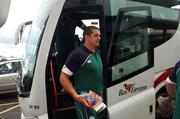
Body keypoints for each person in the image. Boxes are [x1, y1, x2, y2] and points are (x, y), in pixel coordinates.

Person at [60, 26, 104, 119]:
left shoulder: (96, 53)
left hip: (97, 98)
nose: (99, 38)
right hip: (85, 98)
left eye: (99, 35)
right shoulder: (77, 55)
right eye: (96, 35)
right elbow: (63, 78)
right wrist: (75, 96)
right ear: (86, 37)